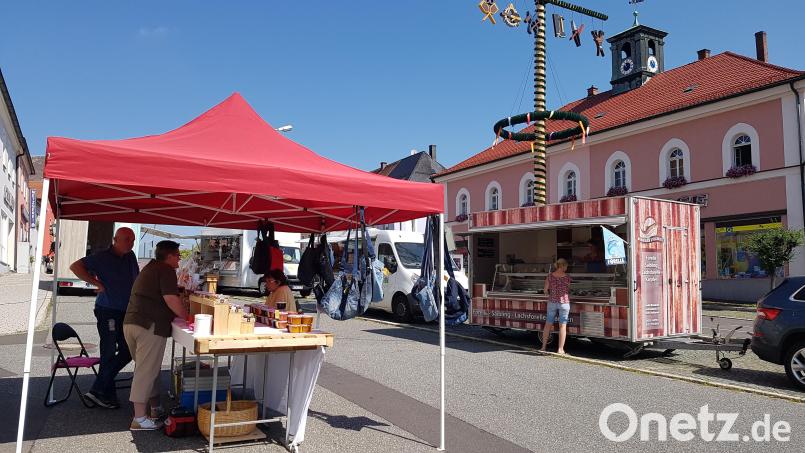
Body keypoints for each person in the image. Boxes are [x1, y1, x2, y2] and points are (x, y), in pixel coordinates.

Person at [69, 227, 138, 409]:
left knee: (128, 350)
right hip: (107, 309)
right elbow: (75, 266)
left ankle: (99, 389)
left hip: (126, 311)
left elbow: (135, 279)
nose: (130, 243)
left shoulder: (130, 256)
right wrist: (96, 283)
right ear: (115, 239)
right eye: (127, 239)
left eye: (132, 240)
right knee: (108, 351)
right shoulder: (101, 257)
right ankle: (105, 393)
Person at [123, 240, 188, 430]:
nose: (179, 258)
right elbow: (170, 298)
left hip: (132, 323)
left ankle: (155, 407)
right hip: (149, 326)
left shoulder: (151, 267)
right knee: (146, 371)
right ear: (169, 256)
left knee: (147, 368)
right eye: (177, 255)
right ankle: (139, 419)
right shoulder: (166, 270)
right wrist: (187, 317)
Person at [540, 258, 572, 355]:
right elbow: (569, 289)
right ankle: (560, 349)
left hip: (552, 302)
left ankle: (543, 347)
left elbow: (545, 290)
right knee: (562, 326)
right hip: (564, 303)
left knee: (548, 325)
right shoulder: (567, 277)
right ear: (562, 266)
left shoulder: (550, 276)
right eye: (566, 266)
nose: (567, 268)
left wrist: (549, 292)